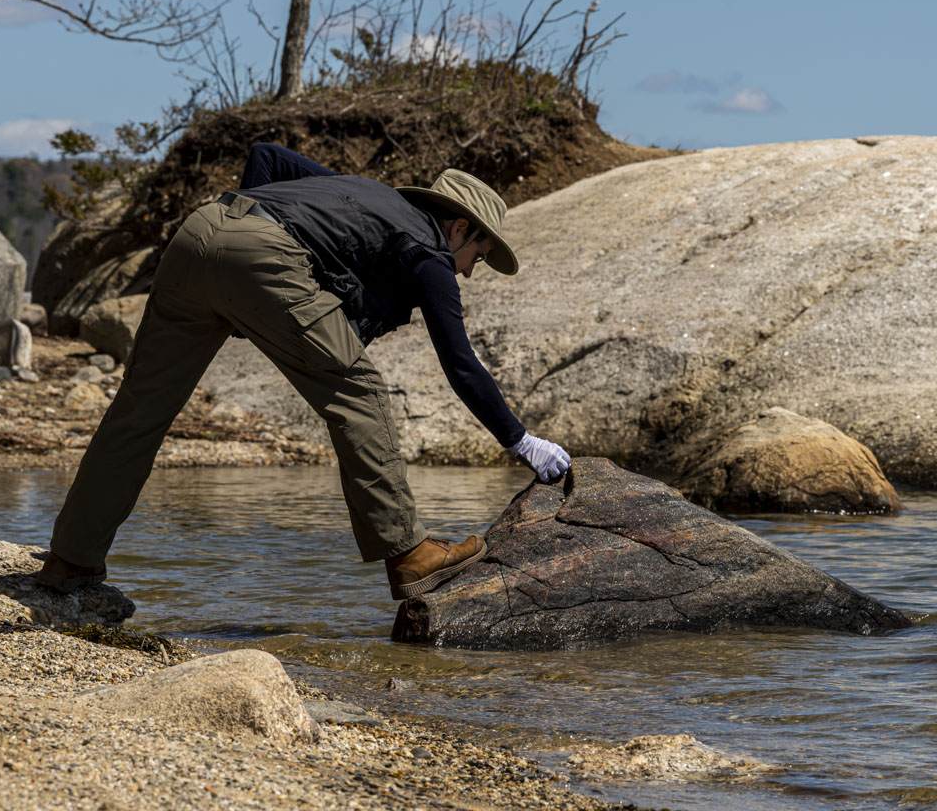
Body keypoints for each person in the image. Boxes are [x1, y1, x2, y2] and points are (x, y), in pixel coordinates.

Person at [36, 143, 570, 600]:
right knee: (359, 393)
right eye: (478, 252)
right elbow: (461, 363)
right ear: (458, 226)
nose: (471, 270)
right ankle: (410, 552)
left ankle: (72, 559)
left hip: (196, 235)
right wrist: (521, 441)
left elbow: (266, 157)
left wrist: (243, 245)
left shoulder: (363, 193)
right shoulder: (430, 252)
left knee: (140, 410)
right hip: (259, 255)